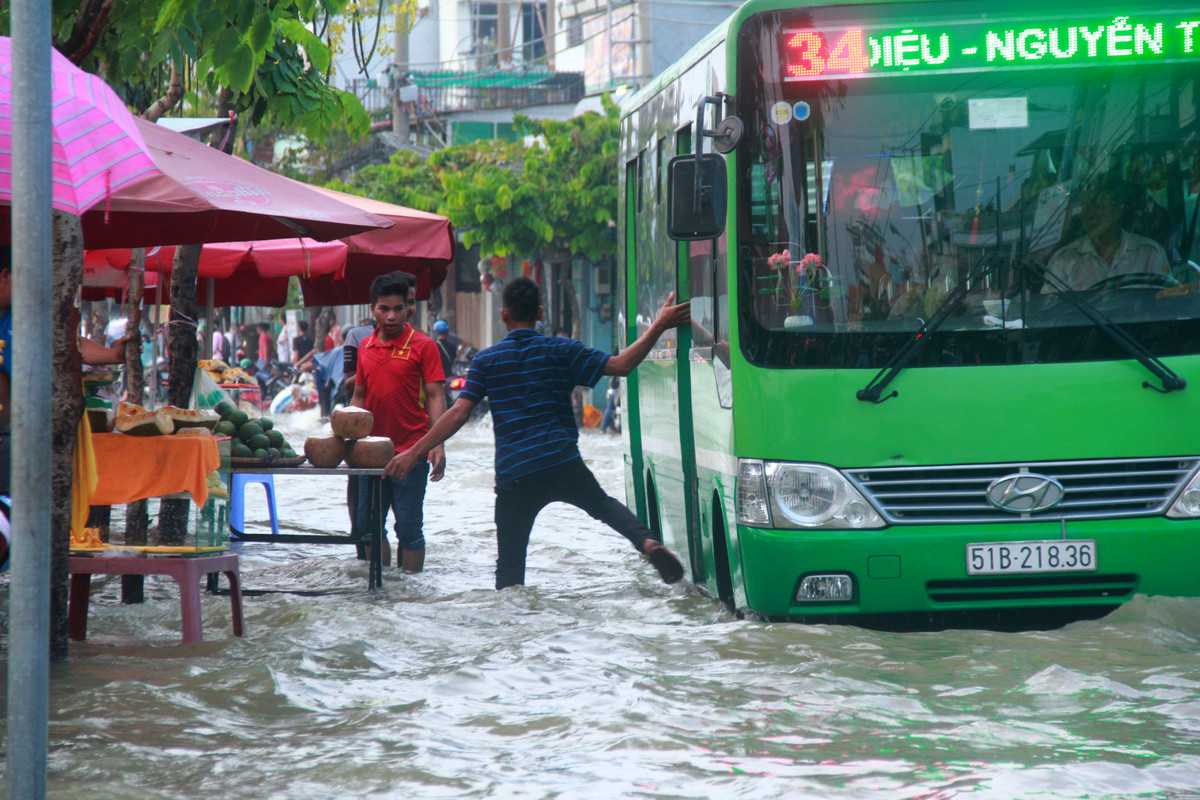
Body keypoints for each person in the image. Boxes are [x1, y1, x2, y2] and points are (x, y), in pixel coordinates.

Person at [386, 277, 691, 590]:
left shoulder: (486, 361)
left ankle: (516, 629)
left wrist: (413, 452)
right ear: (540, 312)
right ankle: (647, 542)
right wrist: (659, 325)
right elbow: (622, 364)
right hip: (562, 462)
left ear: (504, 315)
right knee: (603, 506)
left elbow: (459, 413)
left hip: (515, 475)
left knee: (509, 574)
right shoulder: (562, 349)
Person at [0, 248, 138, 495]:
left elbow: (67, 344)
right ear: (6, 275)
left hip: (19, 435)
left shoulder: (25, 316)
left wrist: (113, 356)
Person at [351, 271, 446, 572]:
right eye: (384, 309)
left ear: (407, 309)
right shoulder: (364, 347)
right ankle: (378, 589)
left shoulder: (424, 346)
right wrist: (347, 437)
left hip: (411, 453)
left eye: (397, 309)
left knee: (408, 529)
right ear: (372, 309)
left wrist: (438, 444)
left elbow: (434, 396)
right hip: (370, 454)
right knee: (368, 527)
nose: (391, 316)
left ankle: (411, 594)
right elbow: (359, 395)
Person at [1046, 175, 1171, 291]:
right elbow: (1050, 310)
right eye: (1084, 205)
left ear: (1118, 210)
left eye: (1097, 204)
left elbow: (1166, 304)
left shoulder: (1149, 254)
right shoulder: (1064, 261)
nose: (1088, 212)